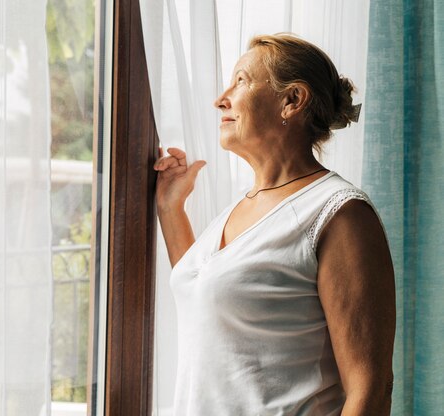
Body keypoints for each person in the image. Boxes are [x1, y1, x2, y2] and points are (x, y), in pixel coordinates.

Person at [153, 33, 396, 415]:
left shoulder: (339, 213)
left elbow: (370, 390)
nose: (221, 99)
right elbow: (209, 302)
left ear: (292, 100)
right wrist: (171, 208)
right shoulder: (241, 206)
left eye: (242, 81)